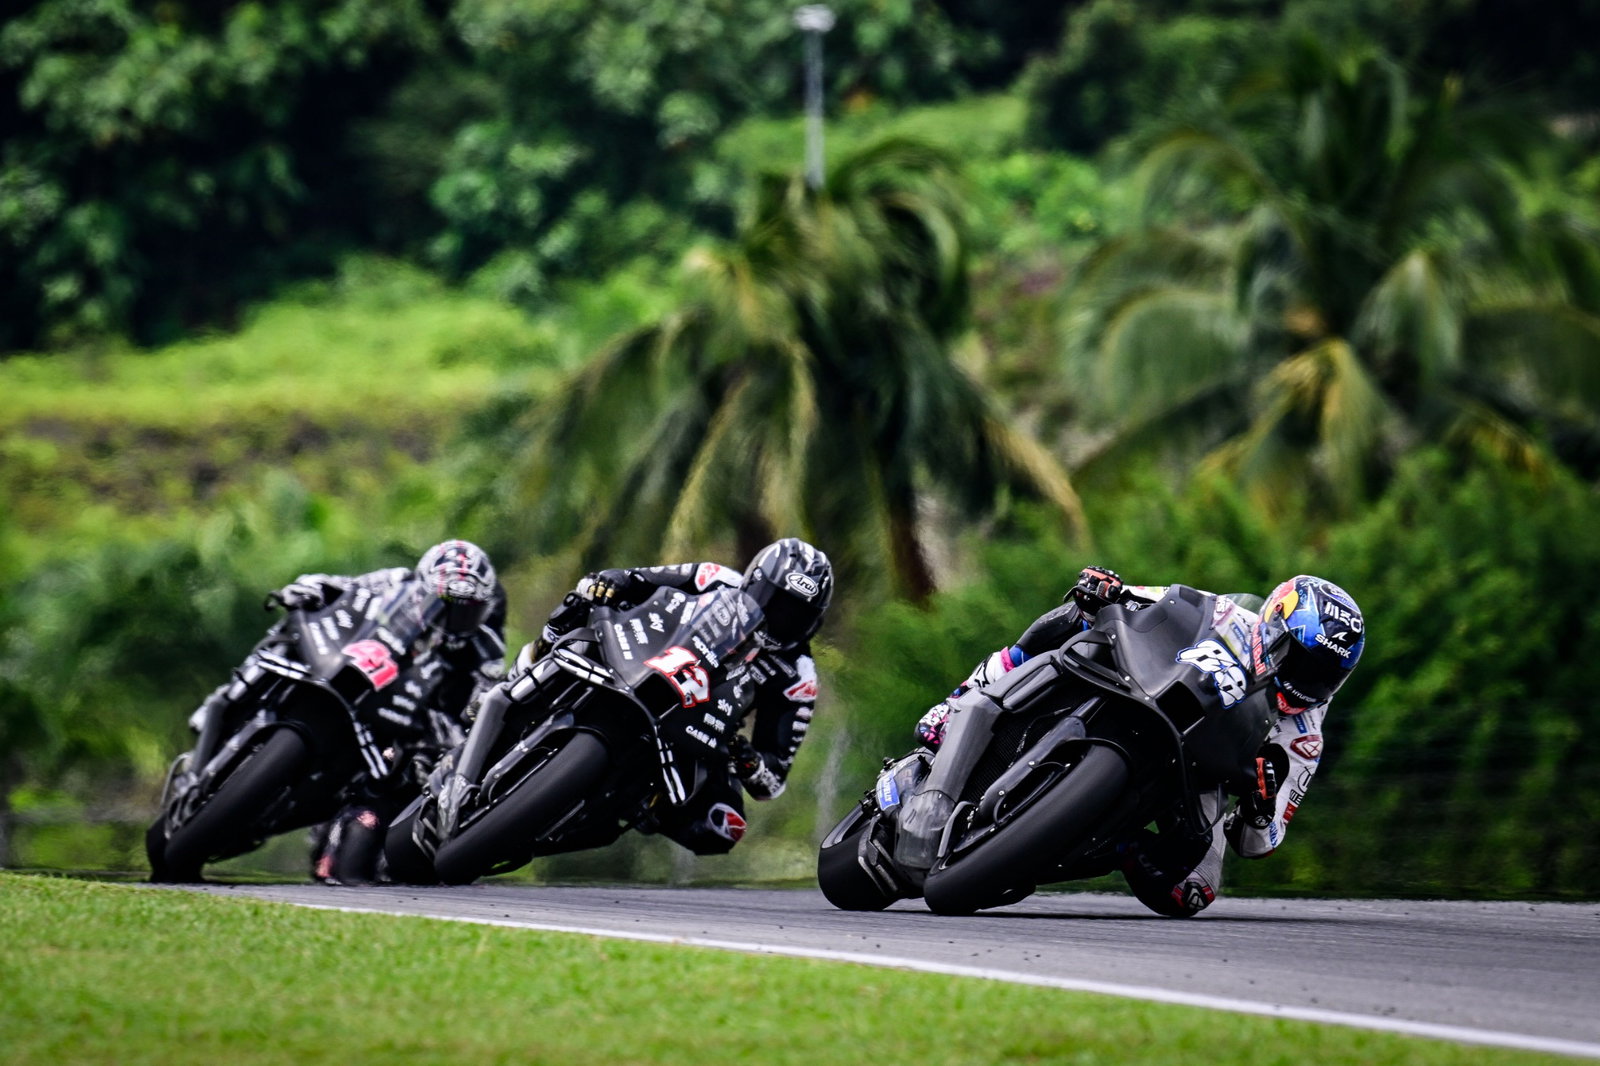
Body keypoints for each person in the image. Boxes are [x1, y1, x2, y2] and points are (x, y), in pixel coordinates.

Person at [913, 566, 1364, 917]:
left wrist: (1260, 808)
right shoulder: (1227, 614)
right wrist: (1107, 589)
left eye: (1325, 675)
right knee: (1075, 617)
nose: (1309, 683)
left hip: (1200, 775)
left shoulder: (1304, 736)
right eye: (1302, 662)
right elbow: (1145, 600)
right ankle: (959, 700)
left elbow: (1261, 843)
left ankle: (1114, 843)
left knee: (1193, 891)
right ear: (1273, 626)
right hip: (1145, 688)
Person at [186, 540, 507, 884]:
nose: (453, 619)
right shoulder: (396, 582)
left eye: (466, 610)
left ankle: (336, 821)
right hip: (352, 673)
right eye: (443, 606)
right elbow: (346, 587)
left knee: (400, 779)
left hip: (402, 724)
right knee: (284, 633)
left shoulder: (485, 648)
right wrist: (310, 589)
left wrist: (449, 737)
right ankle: (226, 699)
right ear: (423, 590)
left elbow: (481, 704)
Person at [532, 537, 833, 855]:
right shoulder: (714, 578)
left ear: (814, 622)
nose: (779, 619)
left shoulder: (798, 675)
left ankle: (634, 804)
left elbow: (773, 778)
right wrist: (612, 581)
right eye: (773, 601)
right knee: (576, 607)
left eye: (795, 614)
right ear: (753, 580)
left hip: (701, 729)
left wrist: (749, 762)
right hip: (638, 662)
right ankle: (520, 677)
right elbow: (636, 580)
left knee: (723, 826)